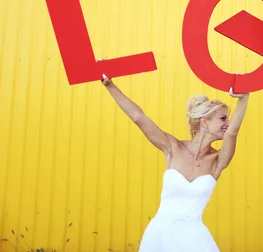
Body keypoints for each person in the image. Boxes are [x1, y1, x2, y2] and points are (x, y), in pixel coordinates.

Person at [101, 73, 249, 252]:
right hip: (160, 235)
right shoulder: (172, 147)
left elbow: (233, 132)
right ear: (204, 121)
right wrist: (110, 85)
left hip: (195, 239)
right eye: (222, 118)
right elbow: (138, 117)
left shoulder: (218, 161)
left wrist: (244, 98)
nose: (228, 123)